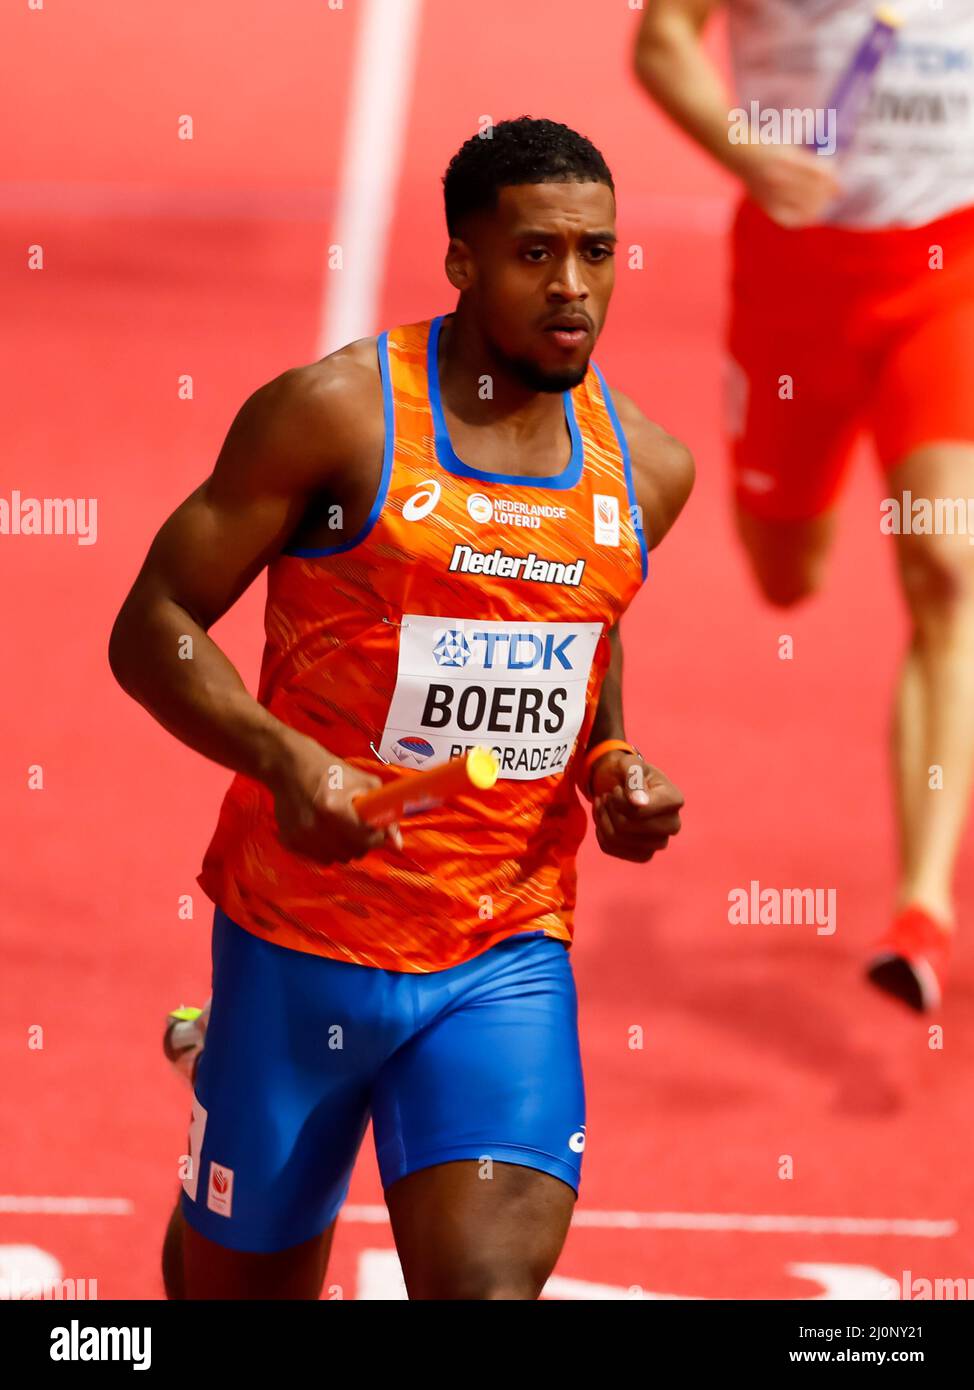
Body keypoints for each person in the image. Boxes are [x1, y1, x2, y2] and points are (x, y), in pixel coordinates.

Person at [109, 117, 694, 1300]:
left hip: (501, 949)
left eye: (597, 251)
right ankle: (222, 1059)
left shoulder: (644, 465)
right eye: (534, 254)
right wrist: (283, 761)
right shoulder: (336, 416)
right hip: (298, 939)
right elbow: (152, 623)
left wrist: (612, 756)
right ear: (462, 263)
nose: (572, 285)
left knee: (483, 1291)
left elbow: (584, 626)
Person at [636, 1, 974, 1010]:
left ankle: (919, 907)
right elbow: (660, 41)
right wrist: (747, 152)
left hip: (944, 268)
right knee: (785, 576)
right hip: (794, 278)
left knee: (947, 568)